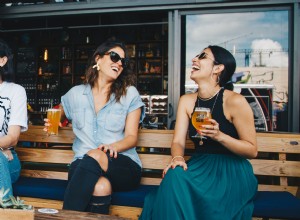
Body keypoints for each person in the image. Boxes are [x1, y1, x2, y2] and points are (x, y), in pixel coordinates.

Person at [140, 45, 258, 220]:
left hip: (230, 172)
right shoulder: (187, 101)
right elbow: (178, 142)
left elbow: (252, 150)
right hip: (199, 165)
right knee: (174, 175)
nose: (194, 59)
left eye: (202, 56)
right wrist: (178, 158)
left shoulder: (235, 101)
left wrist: (220, 136)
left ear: (218, 69)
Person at [47, 39, 145, 214]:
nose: (119, 63)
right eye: (114, 57)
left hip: (121, 164)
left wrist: (112, 147)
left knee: (95, 155)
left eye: (123, 61)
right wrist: (54, 120)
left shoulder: (129, 93)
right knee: (100, 187)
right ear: (98, 59)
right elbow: (58, 112)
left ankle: (65, 218)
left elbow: (132, 137)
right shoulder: (75, 94)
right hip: (83, 165)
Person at [0, 39, 28, 199]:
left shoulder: (16, 91)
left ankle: (6, 213)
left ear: (2, 60)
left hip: (8, 159)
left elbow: (12, 138)